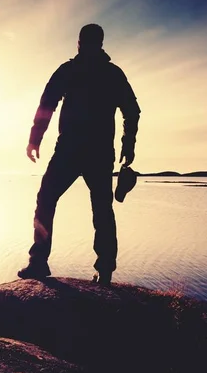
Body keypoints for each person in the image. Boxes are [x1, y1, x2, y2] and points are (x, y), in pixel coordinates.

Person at [18, 24, 141, 285]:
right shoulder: (109, 73)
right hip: (90, 151)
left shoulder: (76, 70)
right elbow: (131, 111)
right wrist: (127, 146)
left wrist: (35, 139)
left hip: (75, 150)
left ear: (80, 42)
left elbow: (47, 104)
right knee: (97, 209)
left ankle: (40, 261)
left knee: (55, 200)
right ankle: (101, 269)